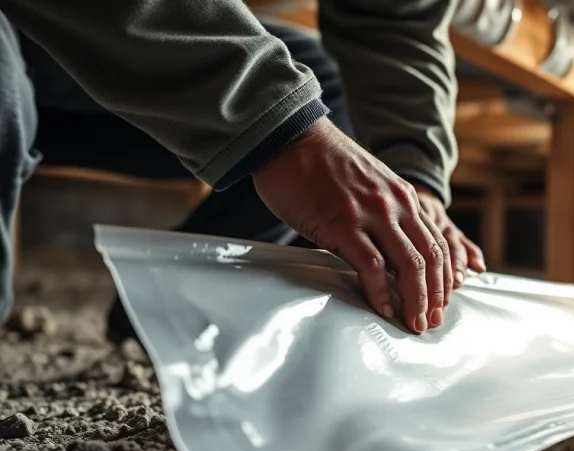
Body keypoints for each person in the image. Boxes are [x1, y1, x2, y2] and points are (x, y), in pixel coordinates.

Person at [0, 0, 485, 337]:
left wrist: (413, 176)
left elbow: (393, 22)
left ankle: (160, 313)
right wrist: (283, 127)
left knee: (326, 94)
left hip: (99, 78)